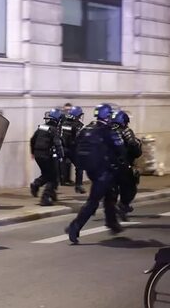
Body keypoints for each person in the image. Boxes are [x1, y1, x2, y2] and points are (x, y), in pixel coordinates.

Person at [65, 103, 125, 244]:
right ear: (107, 116)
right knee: (93, 201)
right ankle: (74, 227)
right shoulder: (108, 130)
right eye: (110, 115)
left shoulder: (87, 129)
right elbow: (121, 149)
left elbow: (74, 147)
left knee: (110, 196)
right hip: (103, 171)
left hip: (92, 170)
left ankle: (112, 224)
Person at [30, 108, 64, 206]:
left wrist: (32, 152)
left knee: (46, 174)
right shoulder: (54, 130)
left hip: (37, 155)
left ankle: (36, 185)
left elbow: (32, 139)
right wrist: (61, 156)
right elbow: (58, 144)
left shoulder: (42, 127)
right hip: (46, 155)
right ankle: (45, 198)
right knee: (53, 177)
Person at [112, 109, 142, 220]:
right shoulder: (126, 131)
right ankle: (123, 205)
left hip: (107, 166)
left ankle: (113, 209)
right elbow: (134, 147)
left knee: (112, 189)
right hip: (123, 166)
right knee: (131, 187)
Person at [60, 106, 86, 194]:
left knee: (55, 169)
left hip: (62, 148)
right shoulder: (79, 125)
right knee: (80, 167)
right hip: (73, 150)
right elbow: (80, 138)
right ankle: (78, 186)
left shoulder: (62, 121)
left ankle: (50, 190)